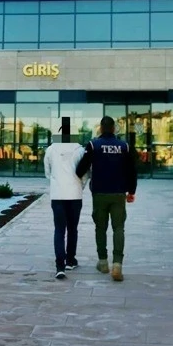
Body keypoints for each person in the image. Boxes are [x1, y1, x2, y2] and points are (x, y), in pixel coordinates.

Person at [76, 116, 137, 281]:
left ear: (101, 128)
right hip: (118, 193)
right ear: (114, 128)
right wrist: (131, 191)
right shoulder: (124, 146)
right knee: (119, 228)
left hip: (99, 193)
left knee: (100, 228)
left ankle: (103, 262)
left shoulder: (93, 145)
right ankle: (117, 264)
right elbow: (132, 170)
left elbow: (81, 169)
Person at [44, 136, 85, 279]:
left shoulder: (50, 150)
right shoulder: (80, 150)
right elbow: (85, 172)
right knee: (73, 228)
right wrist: (80, 185)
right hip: (75, 194)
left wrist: (56, 182)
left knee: (59, 230)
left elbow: (47, 172)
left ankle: (60, 266)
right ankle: (70, 260)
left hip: (57, 195)